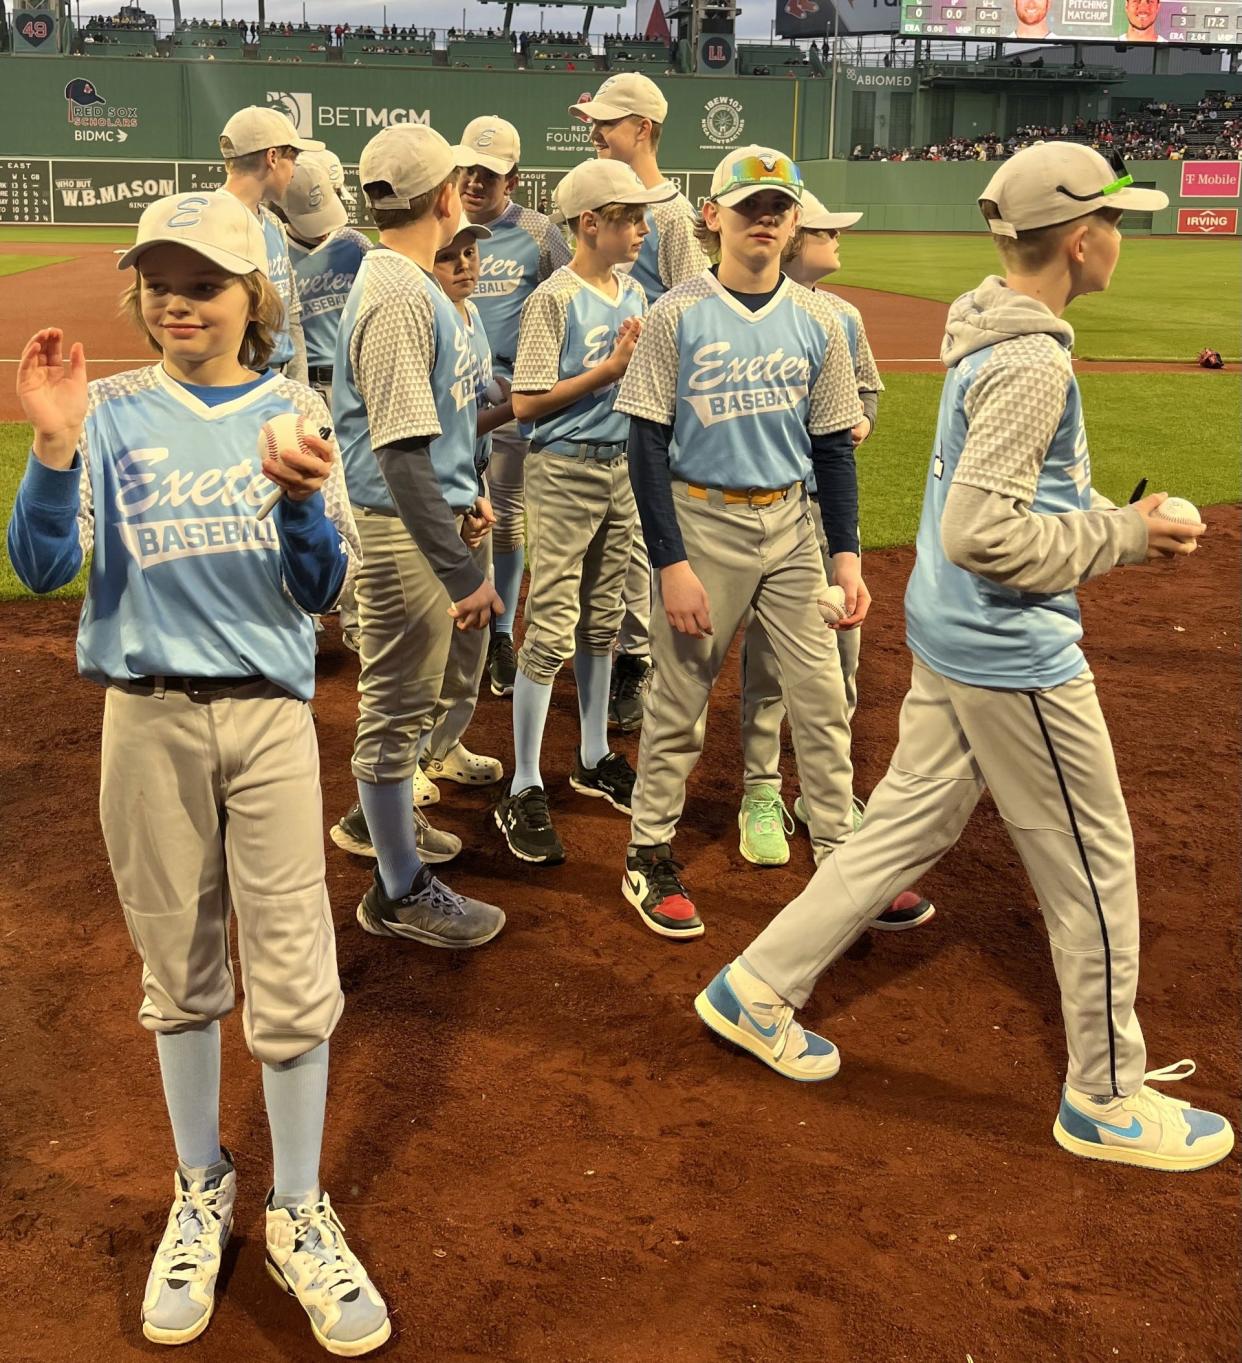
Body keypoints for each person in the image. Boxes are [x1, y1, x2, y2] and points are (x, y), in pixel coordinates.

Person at [694, 143, 1236, 1175]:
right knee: (1093, 864)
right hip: (1007, 649)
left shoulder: (995, 330)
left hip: (952, 635)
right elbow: (983, 533)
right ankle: (1107, 1097)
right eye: (1117, 221)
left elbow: (1006, 505)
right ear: (1080, 241)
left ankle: (755, 987)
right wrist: (1124, 540)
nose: (1125, 236)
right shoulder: (1033, 358)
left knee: (904, 825)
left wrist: (1112, 517)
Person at [7, 192, 392, 1351]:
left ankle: (297, 1209)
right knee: (176, 963)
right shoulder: (111, 410)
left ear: (253, 297)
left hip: (269, 719)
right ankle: (200, 1183)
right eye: (161, 279)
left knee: (290, 965)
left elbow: (323, 593)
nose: (178, 298)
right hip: (147, 716)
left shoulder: (296, 407)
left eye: (205, 280)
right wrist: (54, 441)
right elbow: (39, 569)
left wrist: (299, 510)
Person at [615, 147, 865, 940]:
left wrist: (847, 555)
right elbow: (645, 444)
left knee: (823, 701)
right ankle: (647, 850)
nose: (765, 217)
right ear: (712, 214)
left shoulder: (820, 319)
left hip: (793, 526)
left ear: (793, 223)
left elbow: (832, 445)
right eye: (750, 204)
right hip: (701, 522)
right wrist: (671, 563)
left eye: (779, 207)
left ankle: (841, 855)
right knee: (681, 700)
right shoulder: (676, 313)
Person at [730, 190, 934, 927]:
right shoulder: (735, 315)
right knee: (767, 660)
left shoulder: (840, 318)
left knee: (839, 655)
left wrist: (854, 429)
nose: (837, 239)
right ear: (789, 242)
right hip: (769, 511)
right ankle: (760, 788)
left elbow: (869, 397)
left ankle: (824, 792)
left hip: (824, 509)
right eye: (823, 230)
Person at [329, 124, 507, 947]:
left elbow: (432, 434)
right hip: (401, 532)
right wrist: (462, 571)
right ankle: (396, 887)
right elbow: (400, 452)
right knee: (397, 710)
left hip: (421, 518)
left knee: (405, 705)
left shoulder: (402, 281)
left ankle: (395, 832)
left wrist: (464, 493)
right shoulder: (401, 291)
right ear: (446, 196)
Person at [495, 161, 671, 864]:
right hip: (565, 471)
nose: (643, 229)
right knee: (553, 624)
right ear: (589, 224)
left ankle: (594, 753)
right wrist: (610, 370)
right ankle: (524, 780)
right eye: (629, 218)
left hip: (621, 467)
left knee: (603, 618)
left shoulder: (632, 290)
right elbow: (526, 403)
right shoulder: (555, 298)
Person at [576, 72, 710, 732]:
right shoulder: (605, 202)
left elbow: (695, 312)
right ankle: (615, 653)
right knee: (606, 541)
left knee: (638, 537)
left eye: (608, 121)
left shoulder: (674, 218)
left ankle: (638, 658)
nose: (596, 131)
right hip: (596, 395)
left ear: (645, 130)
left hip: (648, 400)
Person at [456, 115, 572, 699]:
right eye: (468, 170)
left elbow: (567, 299)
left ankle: (502, 629)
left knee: (504, 507)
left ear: (514, 178)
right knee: (452, 505)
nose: (475, 182)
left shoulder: (541, 232)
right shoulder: (442, 225)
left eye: (489, 173)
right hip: (451, 390)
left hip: (514, 391)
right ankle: (460, 618)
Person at [418, 212, 512, 792]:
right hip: (428, 499)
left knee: (469, 640)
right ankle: (401, 768)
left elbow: (468, 417)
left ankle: (443, 745)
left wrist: (475, 491)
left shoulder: (472, 317)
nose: (465, 264)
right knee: (422, 646)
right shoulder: (422, 316)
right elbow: (417, 433)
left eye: (472, 253)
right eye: (451, 254)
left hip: (467, 491)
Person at [218, 105, 318, 384]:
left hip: (280, 380)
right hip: (238, 384)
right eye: (293, 158)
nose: (294, 171)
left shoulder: (273, 224)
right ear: (272, 157)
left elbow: (291, 315)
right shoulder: (213, 224)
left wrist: (299, 387)